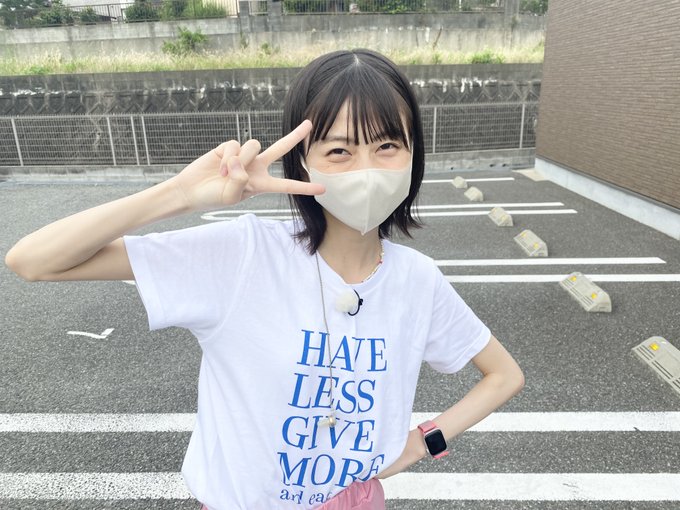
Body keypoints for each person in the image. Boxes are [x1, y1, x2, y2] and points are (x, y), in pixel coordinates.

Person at [5, 49, 524, 510]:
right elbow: (34, 261)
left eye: (388, 145)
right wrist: (179, 195)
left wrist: (422, 441)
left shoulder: (417, 279)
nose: (366, 169)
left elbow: (503, 376)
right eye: (339, 151)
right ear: (303, 162)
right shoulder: (242, 254)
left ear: (415, 154)